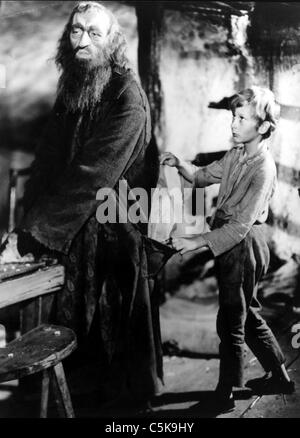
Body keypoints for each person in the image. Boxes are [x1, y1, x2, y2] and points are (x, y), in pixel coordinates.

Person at [2, 1, 173, 411]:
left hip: (116, 227)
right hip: (73, 223)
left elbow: (91, 174)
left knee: (116, 354)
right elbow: (48, 158)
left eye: (95, 33)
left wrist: (36, 232)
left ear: (112, 43)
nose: (83, 41)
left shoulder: (127, 96)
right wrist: (26, 226)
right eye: (76, 31)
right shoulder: (75, 85)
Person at [161, 86, 295, 413]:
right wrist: (180, 164)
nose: (233, 124)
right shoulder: (236, 155)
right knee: (246, 314)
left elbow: (238, 228)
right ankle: (280, 377)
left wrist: (195, 242)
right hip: (231, 244)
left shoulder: (263, 168)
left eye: (242, 118)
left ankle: (226, 390)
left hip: (243, 245)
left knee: (232, 320)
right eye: (233, 117)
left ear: (263, 127)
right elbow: (203, 176)